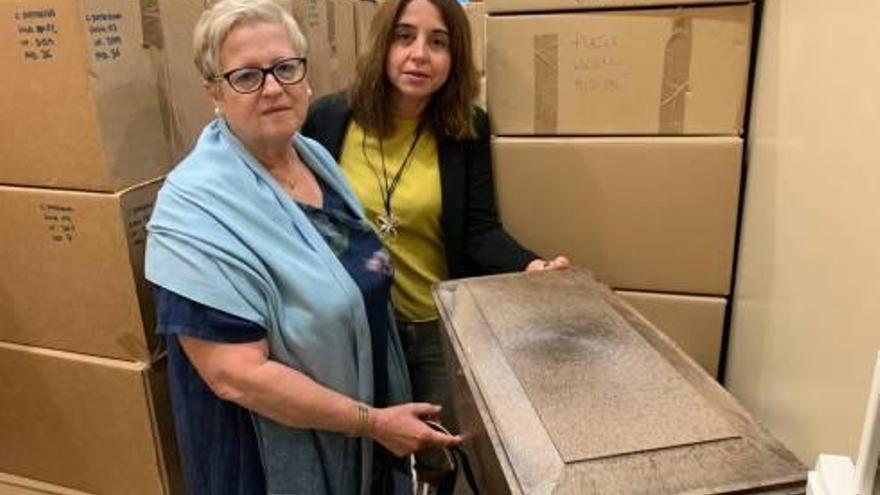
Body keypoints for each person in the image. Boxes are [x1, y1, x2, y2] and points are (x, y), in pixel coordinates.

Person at [144, 1, 460, 494]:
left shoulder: (311, 157)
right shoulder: (192, 209)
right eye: (247, 75)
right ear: (213, 92)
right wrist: (372, 422)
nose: (274, 88)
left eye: (286, 68)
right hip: (269, 461)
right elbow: (236, 376)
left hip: (364, 428)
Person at [301, 0, 569, 490]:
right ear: (383, 43)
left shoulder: (466, 127)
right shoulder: (329, 119)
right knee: (360, 450)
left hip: (433, 329)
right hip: (356, 326)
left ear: (455, 55)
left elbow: (480, 232)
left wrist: (530, 267)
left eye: (438, 41)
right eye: (405, 36)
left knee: (436, 455)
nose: (419, 54)